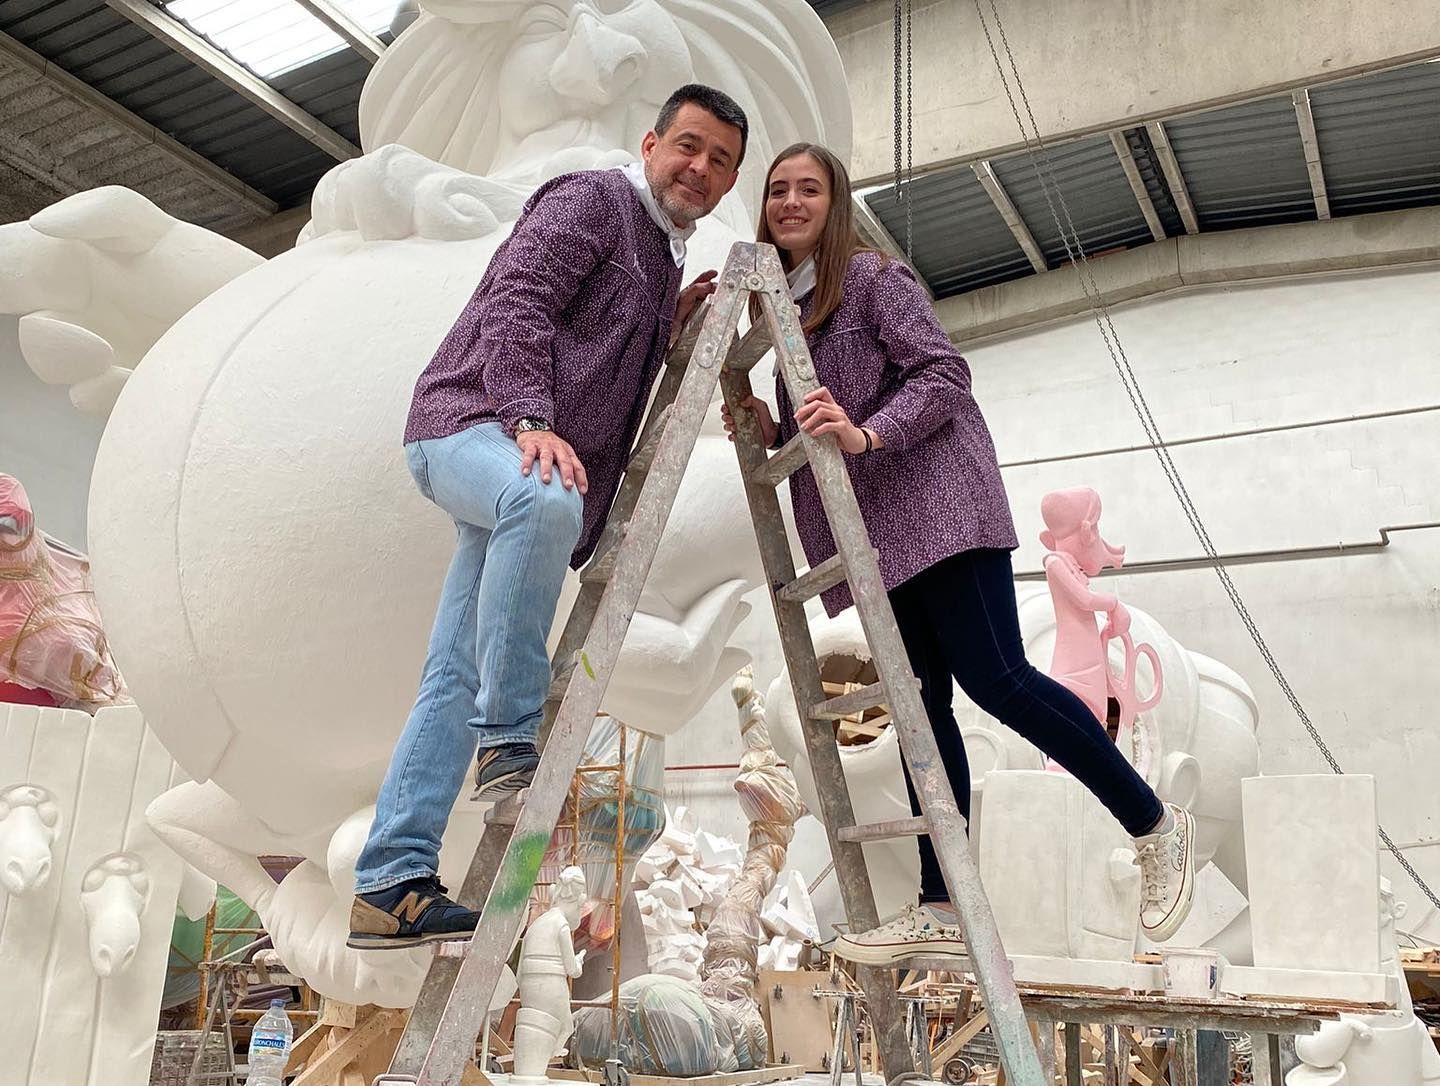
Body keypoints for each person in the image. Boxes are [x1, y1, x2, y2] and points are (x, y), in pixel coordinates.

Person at [721, 143, 1195, 965]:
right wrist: (774, 430)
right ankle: (941, 901)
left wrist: (869, 433)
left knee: (998, 678)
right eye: (778, 191)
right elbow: (819, 415)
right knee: (919, 709)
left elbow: (944, 375)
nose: (791, 202)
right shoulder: (785, 315)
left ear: (834, 207)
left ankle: (1153, 823)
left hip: (939, 505)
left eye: (810, 189)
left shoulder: (872, 279)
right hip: (879, 531)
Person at [348, 85, 749, 950]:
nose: (699, 168)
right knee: (543, 496)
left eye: (720, 161)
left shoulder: (662, 255)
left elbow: (600, 359)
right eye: (687, 146)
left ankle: (392, 880)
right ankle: (509, 741)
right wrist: (529, 420)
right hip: (471, 424)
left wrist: (662, 329)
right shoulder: (593, 198)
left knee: (452, 669)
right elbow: (519, 301)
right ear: (650, 145)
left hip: (517, 450)